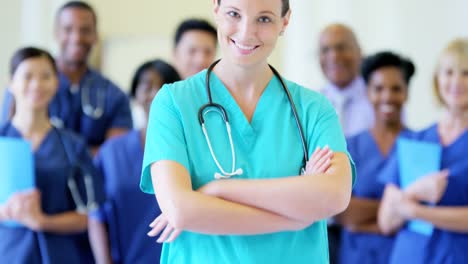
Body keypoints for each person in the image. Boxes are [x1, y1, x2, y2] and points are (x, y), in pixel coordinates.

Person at [141, 0, 355, 263]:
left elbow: (334, 195)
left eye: (264, 19)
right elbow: (180, 210)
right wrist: (296, 217)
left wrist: (217, 191)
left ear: (284, 21)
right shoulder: (173, 103)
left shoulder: (313, 109)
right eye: (234, 14)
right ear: (216, 10)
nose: (246, 32)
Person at [0, 47, 103, 263]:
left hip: (61, 255)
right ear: (12, 83)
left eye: (45, 76)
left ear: (56, 83)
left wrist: (41, 221)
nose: (36, 84)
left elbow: (87, 215)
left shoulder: (72, 145)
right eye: (27, 76)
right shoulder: (3, 140)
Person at [1, 1, 133, 154]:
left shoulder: (114, 95)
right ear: (56, 33)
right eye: (68, 29)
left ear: (95, 35)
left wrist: (68, 155)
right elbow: (10, 142)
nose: (76, 37)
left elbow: (114, 154)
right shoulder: (26, 89)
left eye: (85, 30)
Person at [378, 38, 468, 263]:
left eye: (466, 73)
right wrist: (416, 191)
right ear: (437, 80)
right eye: (449, 72)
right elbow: (386, 221)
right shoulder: (413, 141)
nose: (456, 81)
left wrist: (416, 212)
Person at [89, 59, 181, 264]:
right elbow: (96, 215)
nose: (155, 93)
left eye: (164, 86)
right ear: (135, 94)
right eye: (147, 86)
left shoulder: (188, 149)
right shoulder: (112, 152)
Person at [335, 51, 415, 264]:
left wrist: (363, 218)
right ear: (368, 92)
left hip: (405, 256)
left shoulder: (420, 145)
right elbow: (343, 212)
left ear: (406, 93)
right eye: (378, 89)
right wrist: (400, 208)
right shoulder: (348, 146)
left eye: (396, 88)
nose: (387, 96)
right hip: (358, 256)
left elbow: (425, 215)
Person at [319, 23, 373, 137]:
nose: (333, 56)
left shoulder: (379, 101)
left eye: (341, 48)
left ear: (360, 52)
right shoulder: (310, 105)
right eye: (325, 50)